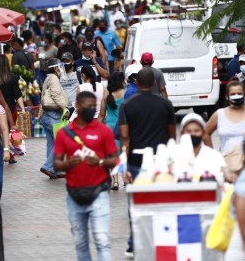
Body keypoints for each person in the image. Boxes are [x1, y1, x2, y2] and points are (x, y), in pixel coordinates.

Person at [53, 91, 118, 261]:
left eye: (93, 106)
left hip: (99, 192)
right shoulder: (64, 133)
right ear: (77, 106)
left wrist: (101, 162)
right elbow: (56, 164)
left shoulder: (103, 131)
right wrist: (68, 164)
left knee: (102, 240)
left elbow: (115, 160)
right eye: (87, 106)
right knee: (81, 243)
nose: (91, 109)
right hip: (74, 195)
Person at [118, 68, 176, 258]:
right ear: (152, 83)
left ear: (136, 83)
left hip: (135, 161)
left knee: (135, 203)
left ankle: (134, 244)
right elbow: (172, 136)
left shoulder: (126, 105)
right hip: (160, 162)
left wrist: (123, 166)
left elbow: (125, 138)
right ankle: (162, 241)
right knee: (161, 202)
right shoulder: (165, 104)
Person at [39, 58, 69, 179]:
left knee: (52, 143)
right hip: (53, 116)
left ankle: (53, 170)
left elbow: (43, 97)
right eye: (60, 67)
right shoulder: (54, 78)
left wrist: (40, 114)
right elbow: (55, 94)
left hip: (47, 116)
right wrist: (64, 108)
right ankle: (48, 166)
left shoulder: (47, 78)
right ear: (56, 68)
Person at [180, 113, 227, 183]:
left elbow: (221, 180)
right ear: (182, 133)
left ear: (203, 133)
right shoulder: (174, 155)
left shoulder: (214, 156)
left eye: (196, 131)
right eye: (189, 131)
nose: (192, 134)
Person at [105, 72, 126, 190]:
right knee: (123, 153)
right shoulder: (125, 94)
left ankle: (115, 182)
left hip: (109, 126)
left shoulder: (107, 96)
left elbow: (102, 113)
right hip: (122, 126)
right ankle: (126, 179)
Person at [0, 54, 25, 119]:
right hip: (10, 108)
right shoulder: (13, 77)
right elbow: (18, 94)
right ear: (7, 64)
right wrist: (22, 108)